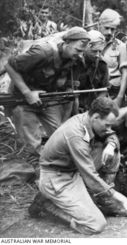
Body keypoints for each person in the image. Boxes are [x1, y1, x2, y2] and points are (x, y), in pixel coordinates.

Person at [28, 97, 127, 235]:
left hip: (72, 170)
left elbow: (111, 134)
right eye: (107, 125)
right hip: (57, 177)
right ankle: (48, 206)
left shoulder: (87, 119)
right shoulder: (76, 135)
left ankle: (101, 197)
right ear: (95, 116)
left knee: (113, 153)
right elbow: (90, 176)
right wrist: (123, 199)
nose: (109, 129)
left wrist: (111, 144)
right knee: (95, 224)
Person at [5, 27, 90, 157]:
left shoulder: (76, 60)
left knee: (60, 137)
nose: (79, 55)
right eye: (77, 50)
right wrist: (28, 93)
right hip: (22, 98)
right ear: (66, 43)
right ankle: (34, 168)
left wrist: (65, 121)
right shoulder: (42, 52)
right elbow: (9, 66)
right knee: (31, 146)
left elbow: (69, 91)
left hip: (48, 99)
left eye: (82, 52)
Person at [98, 8, 127, 106]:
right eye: (106, 28)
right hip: (94, 91)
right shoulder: (89, 42)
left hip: (113, 93)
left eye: (113, 29)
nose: (109, 32)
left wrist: (120, 98)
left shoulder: (120, 46)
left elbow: (125, 74)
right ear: (99, 25)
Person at [74, 30, 109, 113]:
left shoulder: (102, 64)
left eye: (100, 51)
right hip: (72, 105)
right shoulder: (74, 62)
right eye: (94, 51)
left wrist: (95, 108)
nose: (97, 55)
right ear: (85, 48)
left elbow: (104, 89)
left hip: (91, 107)